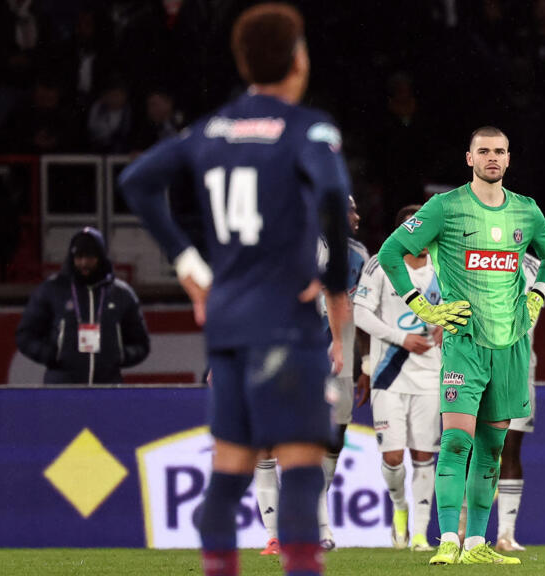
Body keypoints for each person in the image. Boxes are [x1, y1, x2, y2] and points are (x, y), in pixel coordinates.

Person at [118, 5, 351, 576]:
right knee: (299, 466)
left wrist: (188, 264)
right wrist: (336, 286)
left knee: (230, 466)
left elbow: (137, 181)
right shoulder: (307, 128)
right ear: (299, 60)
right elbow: (331, 193)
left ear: (245, 61)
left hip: (227, 317)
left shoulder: (210, 129)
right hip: (286, 320)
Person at [376, 126, 545, 565]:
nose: (492, 157)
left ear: (509, 159)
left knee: (492, 450)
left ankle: (478, 544)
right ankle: (447, 540)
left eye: (500, 151)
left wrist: (537, 294)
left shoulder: (526, 211)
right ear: (469, 158)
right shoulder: (446, 207)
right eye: (484, 151)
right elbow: (390, 251)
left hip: (511, 345)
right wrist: (422, 306)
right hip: (464, 342)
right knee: (456, 442)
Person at [254, 196, 368, 555]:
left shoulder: (356, 256)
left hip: (330, 361)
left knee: (325, 443)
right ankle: (283, 534)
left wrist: (355, 357)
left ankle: (315, 526)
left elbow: (352, 306)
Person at [354, 204, 441, 552]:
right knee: (392, 457)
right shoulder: (380, 265)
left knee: (423, 455)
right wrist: (400, 337)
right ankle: (399, 508)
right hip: (388, 375)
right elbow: (360, 313)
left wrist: (446, 326)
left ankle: (419, 533)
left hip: (431, 375)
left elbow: (467, 309)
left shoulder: (446, 265)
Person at [16, 227, 150, 385]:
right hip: (62, 388)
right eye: (79, 257)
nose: (84, 263)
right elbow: (25, 336)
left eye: (90, 257)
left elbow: (141, 344)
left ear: (101, 258)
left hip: (107, 388)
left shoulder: (122, 294)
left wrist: (120, 355)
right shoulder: (52, 290)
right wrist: (51, 355)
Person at [495, 251, 541, 552]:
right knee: (468, 448)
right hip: (475, 364)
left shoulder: (536, 266)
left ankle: (506, 534)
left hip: (518, 366)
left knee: (510, 449)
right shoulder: (471, 254)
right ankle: (459, 530)